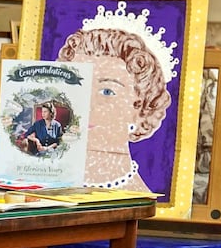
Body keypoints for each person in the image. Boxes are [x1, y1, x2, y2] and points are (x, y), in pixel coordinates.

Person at [57, 23, 173, 191]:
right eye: (76, 87)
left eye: (106, 91)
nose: (86, 105)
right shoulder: (37, 185)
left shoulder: (138, 198)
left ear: (139, 108)